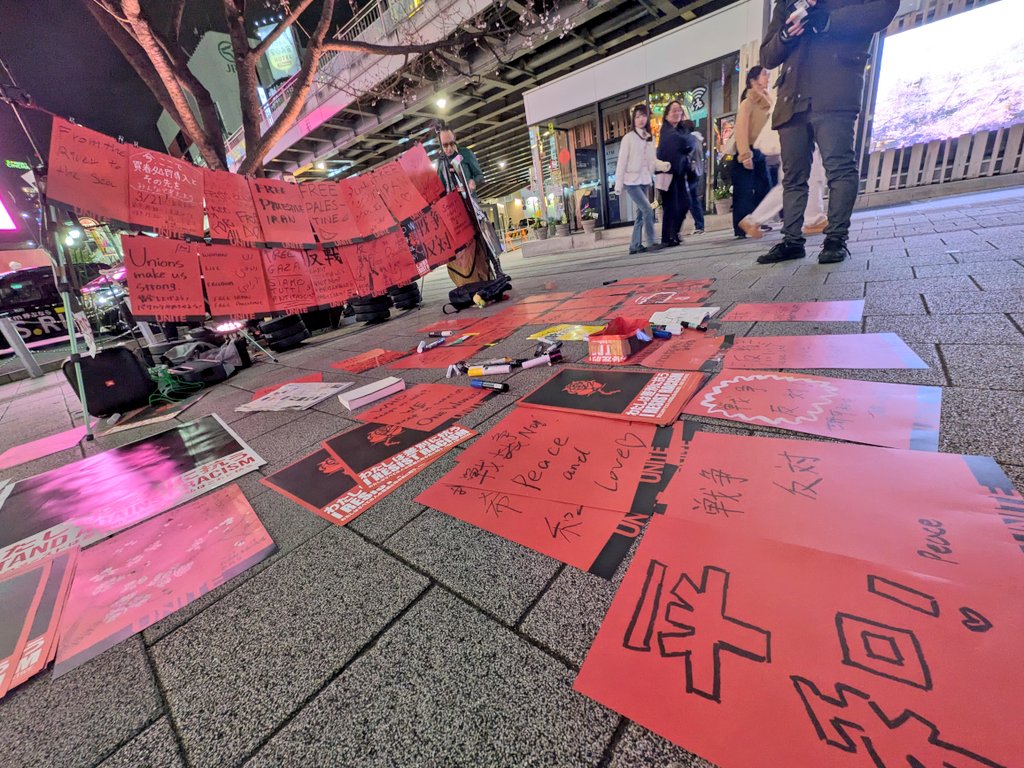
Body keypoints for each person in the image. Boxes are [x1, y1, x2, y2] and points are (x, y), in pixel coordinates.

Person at [757, 0, 900, 264]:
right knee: (793, 177)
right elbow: (767, 56)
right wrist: (785, 35)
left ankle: (836, 238)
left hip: (835, 89)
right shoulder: (786, 3)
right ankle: (791, 240)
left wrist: (829, 20)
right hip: (792, 97)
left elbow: (884, 9)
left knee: (839, 167)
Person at [739, 146, 828, 238]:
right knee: (801, 179)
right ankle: (813, 220)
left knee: (795, 182)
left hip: (793, 143)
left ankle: (813, 219)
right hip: (797, 142)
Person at [614, 104, 664, 255]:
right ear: (633, 120)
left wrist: (662, 166)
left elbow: (651, 160)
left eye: (643, 116)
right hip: (630, 181)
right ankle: (651, 241)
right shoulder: (628, 138)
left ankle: (634, 245)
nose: (640, 119)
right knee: (647, 209)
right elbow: (622, 161)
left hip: (644, 181)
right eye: (637, 116)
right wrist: (618, 184)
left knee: (641, 214)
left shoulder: (649, 138)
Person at [732, 66, 773, 238]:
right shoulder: (747, 103)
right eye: (764, 74)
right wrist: (745, 155)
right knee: (744, 192)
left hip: (760, 151)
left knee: (765, 188)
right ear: (753, 81)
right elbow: (740, 130)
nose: (768, 77)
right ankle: (741, 228)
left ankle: (755, 221)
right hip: (746, 151)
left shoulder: (767, 101)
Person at [656, 100, 692, 248]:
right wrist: (686, 143)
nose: (677, 113)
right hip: (667, 173)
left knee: (684, 204)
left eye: (679, 110)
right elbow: (683, 143)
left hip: (679, 173)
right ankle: (667, 237)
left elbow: (688, 144)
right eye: (674, 110)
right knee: (671, 207)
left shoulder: (680, 130)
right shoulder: (666, 131)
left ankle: (674, 233)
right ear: (667, 115)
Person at [437, 128, 484, 194]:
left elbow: (480, 176)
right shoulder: (441, 161)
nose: (449, 148)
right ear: (441, 145)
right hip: (452, 199)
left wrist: (473, 182)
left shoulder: (466, 153)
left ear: (455, 139)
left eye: (452, 143)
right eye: (445, 145)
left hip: (469, 199)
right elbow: (441, 187)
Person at [682, 120, 706, 235]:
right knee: (693, 199)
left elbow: (689, 155)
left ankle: (699, 225)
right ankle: (699, 225)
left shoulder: (690, 139)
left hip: (691, 172)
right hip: (697, 171)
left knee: (691, 200)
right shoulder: (697, 139)